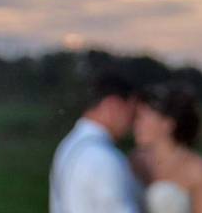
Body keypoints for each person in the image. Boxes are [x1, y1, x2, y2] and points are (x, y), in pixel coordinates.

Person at [50, 71, 142, 213]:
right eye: (131, 111)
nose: (133, 121)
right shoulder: (105, 158)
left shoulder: (68, 144)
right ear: (113, 104)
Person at [131, 83, 202, 213]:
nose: (136, 125)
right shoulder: (134, 160)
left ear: (167, 124)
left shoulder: (198, 169)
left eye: (142, 118)